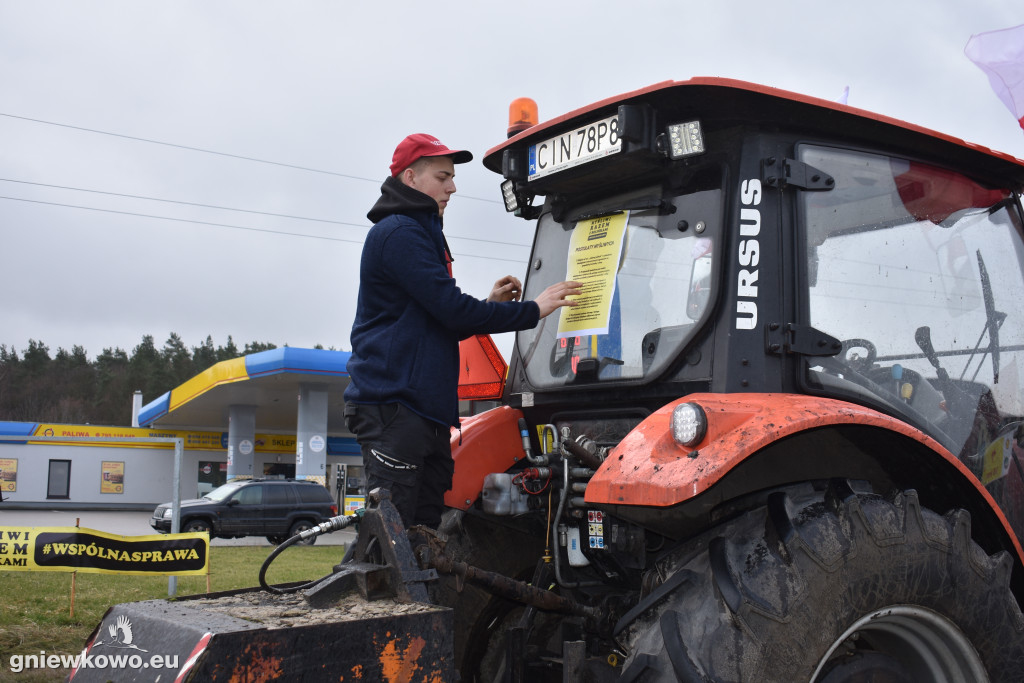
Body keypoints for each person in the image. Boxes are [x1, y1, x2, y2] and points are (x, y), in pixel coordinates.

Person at [344, 133, 581, 529]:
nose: (452, 187)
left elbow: (434, 320)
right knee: (392, 534)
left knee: (421, 532)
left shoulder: (422, 231)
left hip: (422, 411)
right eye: (442, 177)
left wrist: (490, 305)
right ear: (410, 178)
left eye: (452, 178)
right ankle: (373, 591)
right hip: (395, 408)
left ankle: (412, 594)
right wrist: (533, 310)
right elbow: (452, 312)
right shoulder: (400, 233)